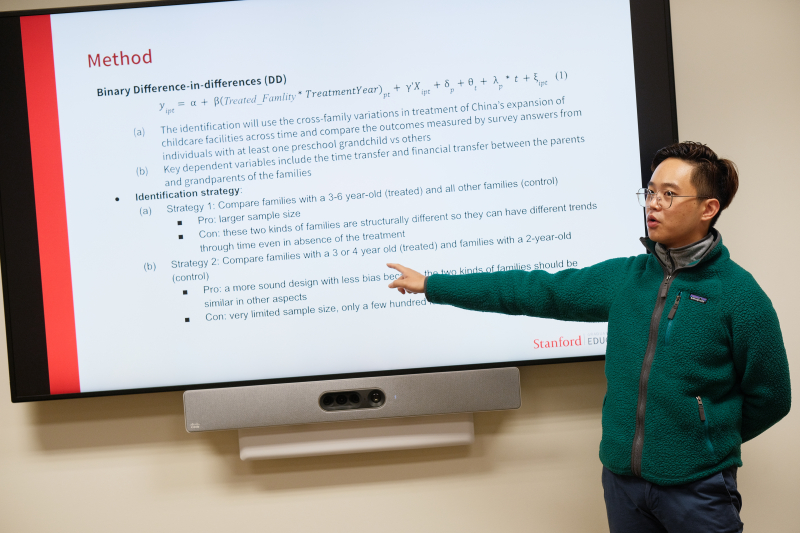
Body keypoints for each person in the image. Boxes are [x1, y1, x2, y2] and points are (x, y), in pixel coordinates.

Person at [386, 142, 791, 533]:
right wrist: (433, 285)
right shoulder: (627, 278)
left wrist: (704, 441)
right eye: (650, 192)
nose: (653, 204)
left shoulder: (738, 296)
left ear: (709, 208)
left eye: (669, 194)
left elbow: (772, 397)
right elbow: (534, 290)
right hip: (622, 483)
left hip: (697, 488)